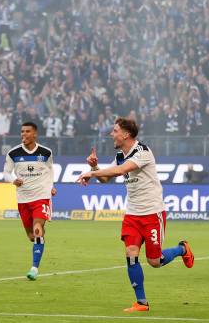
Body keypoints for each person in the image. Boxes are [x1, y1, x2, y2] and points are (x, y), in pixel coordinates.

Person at [76, 117, 194, 312]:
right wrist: (95, 168)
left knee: (155, 262)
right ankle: (141, 302)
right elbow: (107, 178)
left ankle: (182, 249)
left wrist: (92, 174)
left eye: (115, 131)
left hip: (152, 213)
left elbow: (122, 170)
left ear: (126, 134)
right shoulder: (121, 155)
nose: (111, 134)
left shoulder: (142, 152)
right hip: (132, 214)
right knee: (131, 254)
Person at [3, 122, 57, 280]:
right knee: (31, 236)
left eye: (27, 131)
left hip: (41, 197)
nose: (24, 134)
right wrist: (13, 180)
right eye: (22, 132)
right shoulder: (13, 153)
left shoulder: (46, 152)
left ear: (35, 134)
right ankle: (38, 240)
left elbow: (50, 171)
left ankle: (34, 268)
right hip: (23, 199)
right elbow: (6, 172)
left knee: (37, 228)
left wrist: (51, 187)